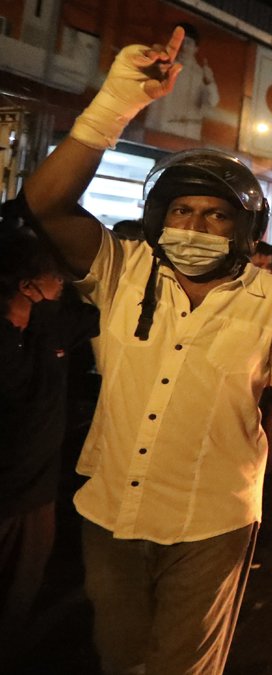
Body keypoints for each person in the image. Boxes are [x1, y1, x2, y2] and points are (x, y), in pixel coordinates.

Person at [20, 29, 272, 673]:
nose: (195, 225)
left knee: (183, 666)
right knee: (121, 657)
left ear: (242, 229)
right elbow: (44, 202)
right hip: (110, 513)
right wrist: (115, 104)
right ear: (161, 218)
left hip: (213, 520)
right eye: (182, 211)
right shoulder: (122, 269)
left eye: (216, 215)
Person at [0, 219, 100, 662]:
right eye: (54, 277)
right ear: (27, 286)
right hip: (13, 492)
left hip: (36, 494)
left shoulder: (50, 327)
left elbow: (99, 311)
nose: (62, 284)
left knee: (20, 594)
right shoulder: (21, 339)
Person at [141, 23, 218, 140]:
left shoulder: (201, 74)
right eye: (180, 42)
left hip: (186, 137)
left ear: (196, 48)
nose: (183, 46)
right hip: (158, 131)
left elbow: (212, 103)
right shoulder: (162, 66)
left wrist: (210, 82)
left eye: (188, 42)